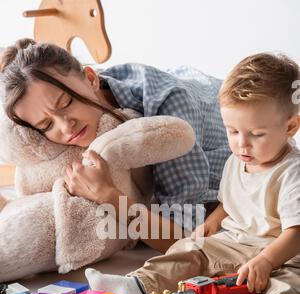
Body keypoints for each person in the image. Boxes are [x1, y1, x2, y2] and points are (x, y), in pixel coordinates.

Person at [85, 53, 300, 294]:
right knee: (188, 249)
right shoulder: (237, 160)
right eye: (232, 131)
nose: (241, 144)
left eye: (256, 134)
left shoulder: (291, 171)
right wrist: (211, 224)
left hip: (282, 250)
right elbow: (230, 203)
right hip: (235, 243)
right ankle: (139, 286)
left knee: (289, 277)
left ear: (290, 127)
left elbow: (295, 232)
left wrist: (266, 260)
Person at [0, 38, 230, 252]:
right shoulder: (64, 129)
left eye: (67, 102)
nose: (66, 126)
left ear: (91, 78)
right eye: (47, 124)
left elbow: (186, 241)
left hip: (215, 102)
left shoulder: (169, 115)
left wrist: (108, 196)